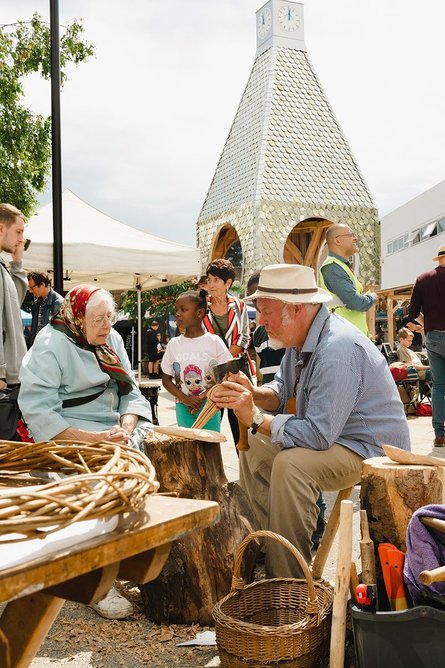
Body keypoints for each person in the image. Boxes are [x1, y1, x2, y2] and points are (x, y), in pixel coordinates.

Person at [211, 264, 410, 578]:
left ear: (296, 309)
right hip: (339, 437)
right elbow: (281, 389)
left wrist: (255, 417)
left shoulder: (337, 349)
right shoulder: (301, 337)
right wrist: (253, 392)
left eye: (266, 312)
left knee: (292, 464)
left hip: (373, 450)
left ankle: (286, 576)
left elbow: (318, 435)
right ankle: (267, 542)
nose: (260, 321)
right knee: (256, 444)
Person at [19, 284, 153, 619]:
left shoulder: (112, 339)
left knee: (158, 468)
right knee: (95, 489)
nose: (107, 326)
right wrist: (94, 441)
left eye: (110, 317)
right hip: (70, 434)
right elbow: (39, 412)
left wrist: (125, 427)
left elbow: (131, 390)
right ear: (77, 318)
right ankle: (96, 582)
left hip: (116, 427)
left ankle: (135, 563)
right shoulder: (50, 344)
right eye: (98, 320)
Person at [161, 289, 232, 430]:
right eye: (176, 310)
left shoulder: (214, 341)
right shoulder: (174, 345)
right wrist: (185, 399)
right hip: (183, 407)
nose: (178, 314)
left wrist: (202, 397)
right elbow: (166, 380)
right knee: (188, 447)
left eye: (183, 309)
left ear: (200, 313)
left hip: (210, 405)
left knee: (210, 446)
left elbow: (227, 375)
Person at [203, 258, 251, 444]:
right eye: (209, 280)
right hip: (211, 372)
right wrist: (217, 364)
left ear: (228, 283)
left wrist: (225, 359)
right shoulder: (202, 306)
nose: (211, 284)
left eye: (216, 280)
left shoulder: (239, 305)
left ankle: (245, 466)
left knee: (240, 421)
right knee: (211, 419)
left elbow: (244, 337)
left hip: (236, 369)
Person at [409, 245, 445, 446]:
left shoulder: (423, 279)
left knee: (439, 386)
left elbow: (412, 311)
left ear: (438, 259)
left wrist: (428, 324)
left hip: (433, 337)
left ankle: (439, 434)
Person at [319, 224, 377, 335]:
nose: (356, 238)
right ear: (337, 240)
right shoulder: (333, 267)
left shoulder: (340, 266)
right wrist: (372, 297)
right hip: (346, 338)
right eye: (351, 235)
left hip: (350, 336)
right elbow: (355, 302)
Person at [0, 203, 28, 438]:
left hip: (11, 378)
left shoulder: (3, 268)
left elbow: (14, 301)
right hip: (3, 380)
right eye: (18, 232)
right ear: (1, 229)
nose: (22, 239)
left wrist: (17, 262)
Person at [27, 271, 63, 346]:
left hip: (50, 350)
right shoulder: (36, 305)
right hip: (37, 349)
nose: (30, 291)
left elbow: (60, 333)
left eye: (32, 288)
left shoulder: (58, 303)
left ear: (42, 284)